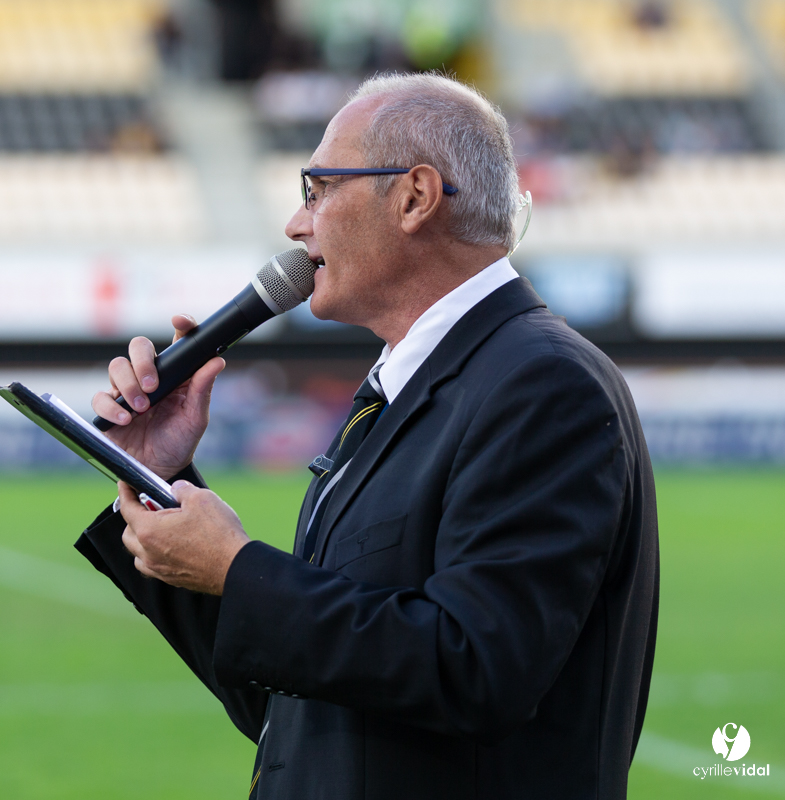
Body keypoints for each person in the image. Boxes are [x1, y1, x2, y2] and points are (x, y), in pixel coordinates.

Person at [75, 72, 659, 799]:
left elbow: (475, 667)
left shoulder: (541, 383)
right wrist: (165, 482)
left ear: (413, 197)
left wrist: (240, 569)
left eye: (316, 188)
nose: (296, 224)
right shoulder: (412, 384)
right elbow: (297, 707)